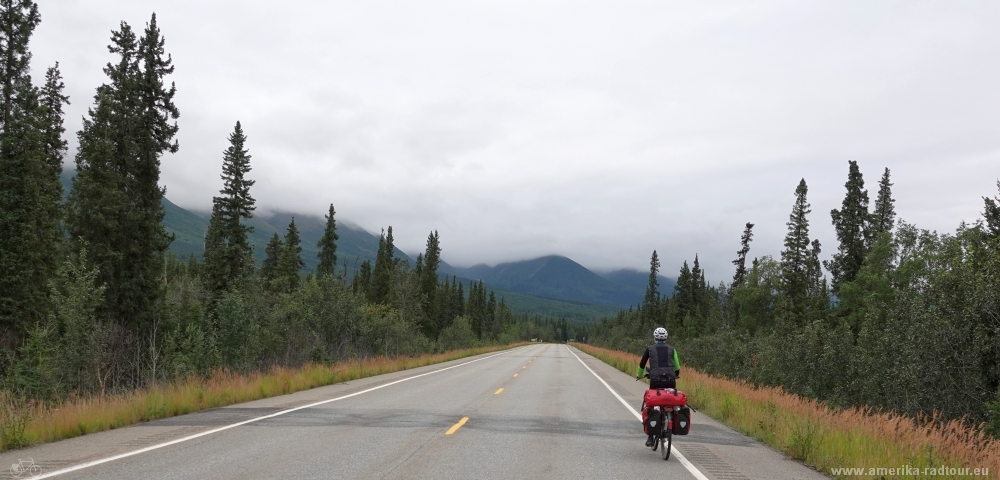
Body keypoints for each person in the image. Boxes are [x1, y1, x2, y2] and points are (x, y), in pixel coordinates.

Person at [636, 326, 680, 446]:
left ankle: (651, 437)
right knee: (668, 400)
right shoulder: (672, 349)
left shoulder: (650, 349)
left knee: (652, 405)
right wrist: (676, 375)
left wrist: (639, 375)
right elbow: (676, 366)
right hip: (671, 380)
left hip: (655, 380)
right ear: (666, 338)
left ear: (654, 337)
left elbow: (642, 363)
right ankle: (668, 424)